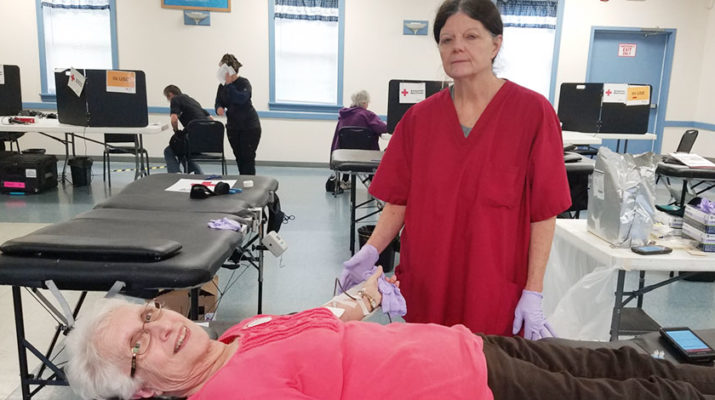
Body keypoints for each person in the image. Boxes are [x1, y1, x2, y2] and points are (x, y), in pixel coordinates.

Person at [65, 267, 715, 400]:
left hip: (470, 344)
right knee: (643, 396)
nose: (161, 328)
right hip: (472, 389)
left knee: (629, 362)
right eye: (136, 346)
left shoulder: (242, 332)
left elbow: (328, 316)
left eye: (148, 315)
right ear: (141, 391)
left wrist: (370, 289)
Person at [339, 0, 571, 338]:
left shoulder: (533, 114)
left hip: (494, 288)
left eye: (471, 36)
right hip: (428, 283)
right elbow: (399, 200)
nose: (457, 47)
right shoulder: (419, 120)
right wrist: (371, 249)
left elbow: (543, 213)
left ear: (496, 43)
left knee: (487, 380)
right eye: (447, 40)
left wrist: (533, 291)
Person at [330, 90, 388, 190]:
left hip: (346, 154)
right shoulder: (368, 115)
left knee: (350, 147)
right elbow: (383, 128)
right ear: (364, 102)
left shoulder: (344, 115)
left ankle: (345, 180)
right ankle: (371, 181)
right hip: (366, 154)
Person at [214, 54, 261, 175]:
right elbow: (219, 101)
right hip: (233, 127)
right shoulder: (222, 86)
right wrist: (219, 108)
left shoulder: (244, 83)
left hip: (249, 127)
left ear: (228, 70)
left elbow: (241, 99)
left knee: (247, 157)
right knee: (239, 157)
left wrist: (230, 85)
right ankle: (244, 181)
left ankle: (250, 184)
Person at [162, 85, 211, 174]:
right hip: (206, 140)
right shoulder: (193, 101)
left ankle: (175, 174)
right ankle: (197, 174)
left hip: (193, 138)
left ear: (170, 94)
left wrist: (176, 131)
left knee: (169, 151)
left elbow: (174, 119)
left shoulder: (175, 99)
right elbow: (211, 119)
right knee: (182, 149)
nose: (168, 100)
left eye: (167, 97)